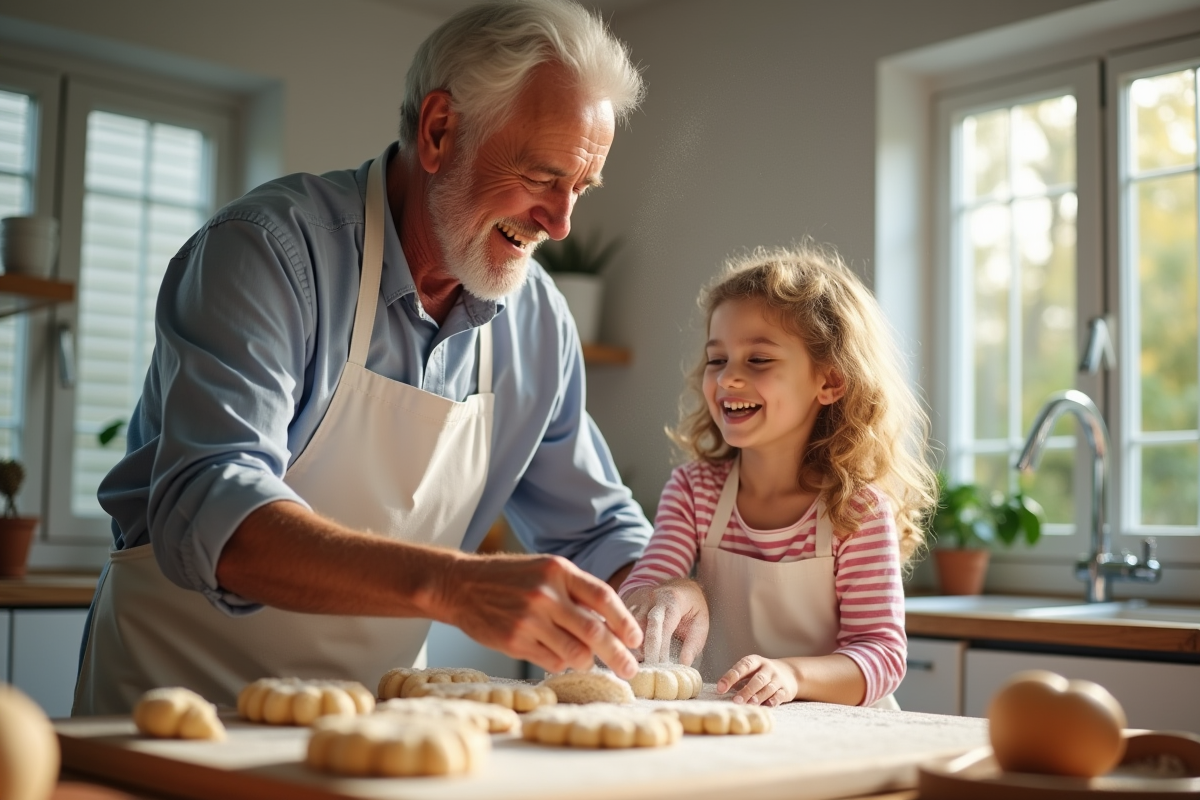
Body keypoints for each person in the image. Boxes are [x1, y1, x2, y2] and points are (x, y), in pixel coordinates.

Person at [74, 0, 652, 716]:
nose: (560, 222)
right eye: (541, 176)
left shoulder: (537, 325)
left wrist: (663, 589)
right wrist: (453, 586)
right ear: (439, 131)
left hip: (369, 734)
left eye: (579, 188)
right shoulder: (268, 252)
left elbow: (596, 531)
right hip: (174, 708)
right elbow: (213, 504)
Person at [619, 243, 937, 708]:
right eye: (717, 359)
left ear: (829, 381)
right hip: (727, 721)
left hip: (835, 733)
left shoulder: (857, 510)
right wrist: (671, 591)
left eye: (758, 360)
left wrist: (791, 675)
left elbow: (882, 655)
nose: (728, 378)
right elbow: (641, 591)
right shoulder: (694, 491)